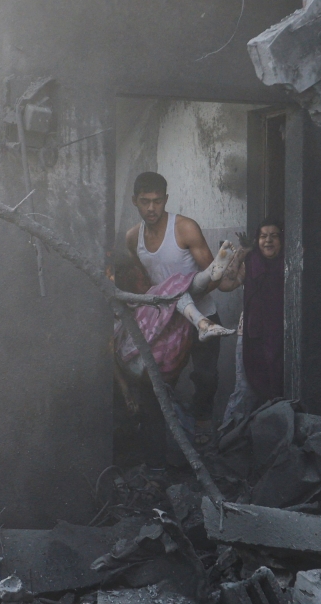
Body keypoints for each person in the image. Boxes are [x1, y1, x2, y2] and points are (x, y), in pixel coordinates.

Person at [126, 171, 233, 447]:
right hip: (166, 323)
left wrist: (183, 293)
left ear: (166, 200)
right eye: (145, 201)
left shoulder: (185, 228)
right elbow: (148, 281)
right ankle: (158, 455)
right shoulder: (132, 238)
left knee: (206, 378)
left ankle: (204, 430)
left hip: (202, 313)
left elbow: (215, 275)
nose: (151, 208)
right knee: (158, 385)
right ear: (134, 201)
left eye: (157, 201)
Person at [220, 217, 285, 422]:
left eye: (274, 236)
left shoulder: (288, 263)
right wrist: (242, 252)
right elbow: (225, 284)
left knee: (279, 390)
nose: (268, 241)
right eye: (263, 236)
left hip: (281, 337)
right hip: (250, 335)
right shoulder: (251, 263)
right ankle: (226, 441)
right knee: (245, 392)